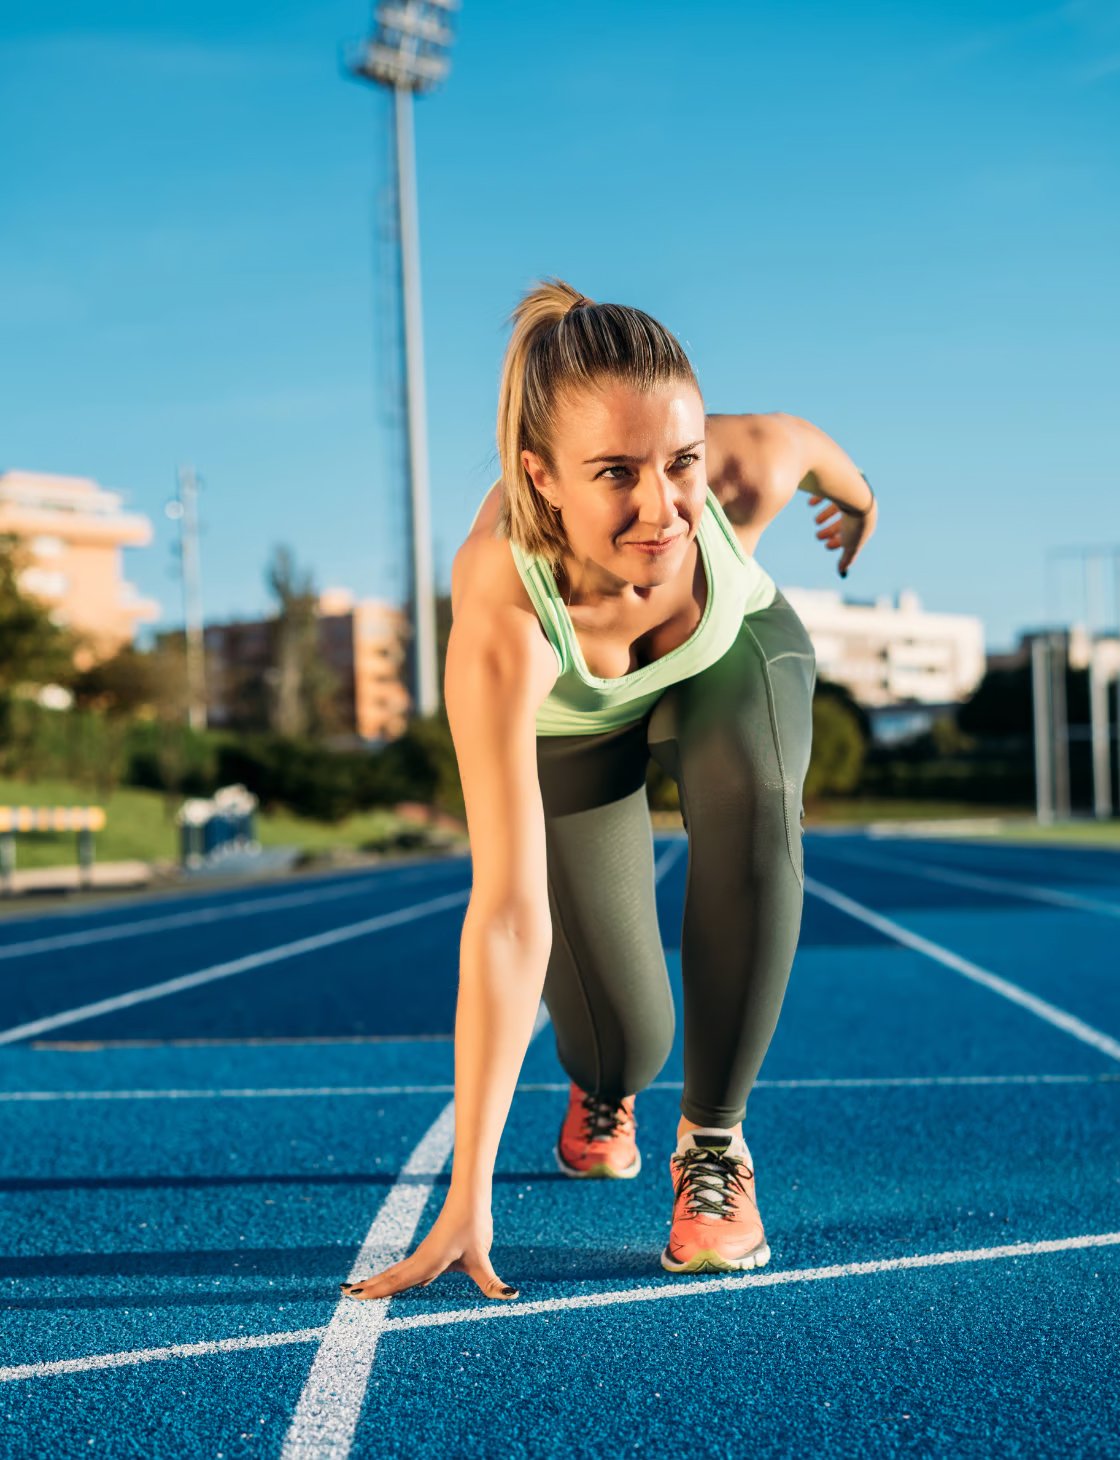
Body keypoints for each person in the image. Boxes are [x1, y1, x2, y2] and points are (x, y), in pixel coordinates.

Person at [342, 277, 877, 1303]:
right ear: (540, 478)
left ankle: (713, 1149)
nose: (662, 507)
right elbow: (505, 916)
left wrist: (861, 501)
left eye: (677, 462)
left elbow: (807, 444)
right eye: (613, 474)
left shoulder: (733, 469)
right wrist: (468, 1190)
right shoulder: (501, 609)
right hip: (573, 724)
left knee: (758, 798)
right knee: (626, 1035)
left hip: (727, 659)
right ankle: (603, 1089)